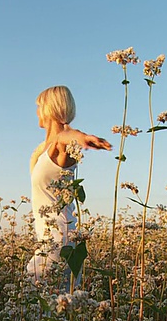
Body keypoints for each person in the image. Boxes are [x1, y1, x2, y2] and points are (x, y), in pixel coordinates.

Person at [26, 85, 112, 282]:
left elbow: (66, 137)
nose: (37, 111)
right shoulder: (45, 149)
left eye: (39, 106)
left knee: (37, 297)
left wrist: (82, 138)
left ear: (49, 108)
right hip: (51, 238)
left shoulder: (60, 147)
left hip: (60, 241)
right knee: (50, 304)